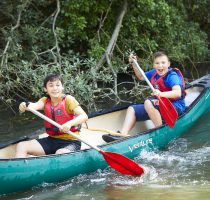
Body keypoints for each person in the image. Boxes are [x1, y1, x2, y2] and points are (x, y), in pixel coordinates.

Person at [103, 51, 186, 142]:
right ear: (154, 65)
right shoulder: (154, 73)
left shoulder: (172, 76)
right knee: (132, 109)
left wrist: (160, 94)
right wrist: (134, 64)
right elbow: (141, 77)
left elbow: (177, 93)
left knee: (148, 102)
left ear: (168, 64)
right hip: (160, 105)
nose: (160, 66)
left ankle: (161, 132)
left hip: (175, 107)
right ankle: (123, 134)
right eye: (157, 63)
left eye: (163, 63)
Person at [15, 73, 88, 158]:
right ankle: (20, 169)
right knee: (21, 146)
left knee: (60, 153)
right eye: (51, 85)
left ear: (62, 87)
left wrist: (69, 124)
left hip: (71, 141)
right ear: (45, 89)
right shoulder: (45, 100)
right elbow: (34, 105)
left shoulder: (68, 100)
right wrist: (24, 105)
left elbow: (84, 116)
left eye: (58, 85)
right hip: (52, 140)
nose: (55, 88)